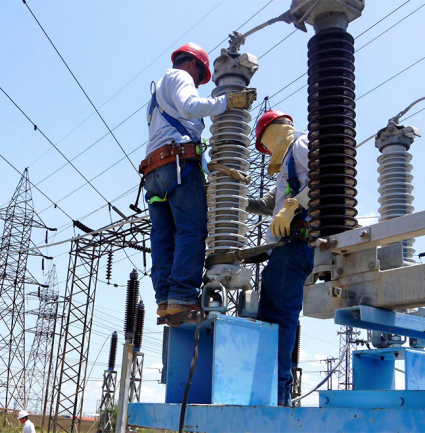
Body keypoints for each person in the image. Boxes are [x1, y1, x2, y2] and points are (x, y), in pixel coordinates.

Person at [142, 42, 256, 317]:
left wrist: (210, 167)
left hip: (154, 172)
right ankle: (182, 295)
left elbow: (176, 130)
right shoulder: (179, 76)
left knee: (163, 237)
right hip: (179, 166)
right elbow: (191, 106)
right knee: (191, 231)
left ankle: (166, 299)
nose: (197, 83)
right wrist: (228, 101)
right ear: (194, 64)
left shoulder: (156, 97)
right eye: (200, 77)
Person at [246, 110, 314, 406]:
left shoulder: (300, 145)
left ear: (271, 132)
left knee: (276, 319)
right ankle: (277, 390)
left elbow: (327, 177)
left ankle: (277, 394)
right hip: (291, 246)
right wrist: (240, 200)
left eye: (264, 145)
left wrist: (294, 206)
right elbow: (270, 204)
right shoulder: (288, 163)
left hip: (295, 243)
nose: (267, 152)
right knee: (277, 315)